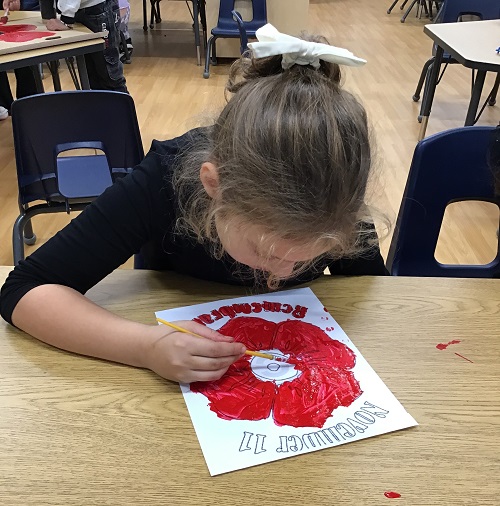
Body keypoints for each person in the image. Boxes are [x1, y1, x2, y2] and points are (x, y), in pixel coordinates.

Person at [0, 25, 388, 386]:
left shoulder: (334, 194)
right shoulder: (162, 178)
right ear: (212, 186)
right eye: (265, 251)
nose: (280, 275)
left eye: (306, 260)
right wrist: (145, 347)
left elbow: (372, 293)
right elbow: (25, 289)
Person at [40, 0, 127, 92]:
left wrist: (66, 20)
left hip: (97, 9)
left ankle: (122, 105)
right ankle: (102, 105)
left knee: (109, 75)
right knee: (93, 76)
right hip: (86, 9)